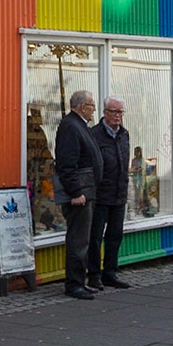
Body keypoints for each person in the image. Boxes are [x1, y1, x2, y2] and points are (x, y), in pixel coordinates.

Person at [53, 90, 101, 300]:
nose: (94, 110)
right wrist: (75, 191)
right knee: (78, 239)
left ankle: (80, 280)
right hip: (80, 193)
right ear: (82, 106)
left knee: (84, 238)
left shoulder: (79, 125)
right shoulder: (71, 127)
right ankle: (74, 284)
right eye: (92, 105)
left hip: (87, 190)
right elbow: (67, 162)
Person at [89, 97, 132, 290]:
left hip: (119, 194)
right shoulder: (94, 135)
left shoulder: (124, 134)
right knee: (95, 237)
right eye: (113, 112)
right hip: (100, 195)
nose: (117, 116)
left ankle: (110, 273)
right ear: (104, 113)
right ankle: (94, 275)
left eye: (120, 112)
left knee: (115, 236)